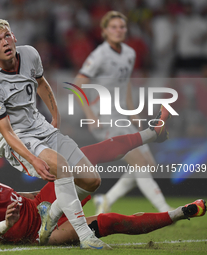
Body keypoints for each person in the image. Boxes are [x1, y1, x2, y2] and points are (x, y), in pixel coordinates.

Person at [0, 18, 170, 249]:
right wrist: (33, 159)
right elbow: (7, 131)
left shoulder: (29, 54)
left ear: (14, 37)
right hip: (13, 135)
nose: (5, 42)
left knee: (91, 180)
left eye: (7, 35)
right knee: (61, 168)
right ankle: (85, 235)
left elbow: (41, 83)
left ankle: (52, 214)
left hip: (37, 124)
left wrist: (55, 116)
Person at [0, 142, 206, 246]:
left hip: (42, 203)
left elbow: (16, 197)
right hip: (37, 232)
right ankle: (180, 213)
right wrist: (7, 222)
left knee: (77, 162)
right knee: (109, 222)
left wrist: (39, 190)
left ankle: (137, 140)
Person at [73, 11, 173, 215]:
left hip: (121, 115)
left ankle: (106, 199)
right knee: (140, 162)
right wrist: (90, 115)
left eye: (121, 27)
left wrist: (132, 112)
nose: (118, 31)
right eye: (113, 27)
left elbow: (125, 83)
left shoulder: (129, 53)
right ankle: (165, 211)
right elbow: (77, 84)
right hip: (104, 117)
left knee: (149, 165)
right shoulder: (99, 55)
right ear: (104, 32)